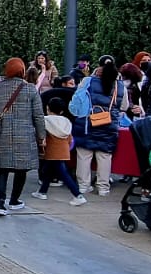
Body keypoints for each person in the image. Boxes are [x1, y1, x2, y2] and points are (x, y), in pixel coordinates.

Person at [0, 58, 46, 214]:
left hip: (0, 135)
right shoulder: (30, 89)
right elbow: (38, 116)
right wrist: (41, 136)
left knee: (2, 169)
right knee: (21, 170)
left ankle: (0, 204)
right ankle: (14, 200)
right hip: (24, 136)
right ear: (22, 71)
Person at [70, 58, 128, 196]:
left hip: (86, 122)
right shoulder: (120, 86)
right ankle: (103, 187)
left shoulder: (87, 81)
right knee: (104, 156)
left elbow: (78, 98)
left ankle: (83, 186)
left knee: (84, 154)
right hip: (109, 123)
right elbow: (124, 106)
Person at [30, 96, 85, 205]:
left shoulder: (45, 121)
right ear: (62, 111)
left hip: (51, 151)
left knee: (63, 174)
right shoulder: (66, 122)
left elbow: (40, 135)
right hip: (64, 151)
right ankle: (42, 191)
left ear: (47, 108)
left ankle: (77, 195)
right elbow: (69, 138)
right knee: (48, 171)